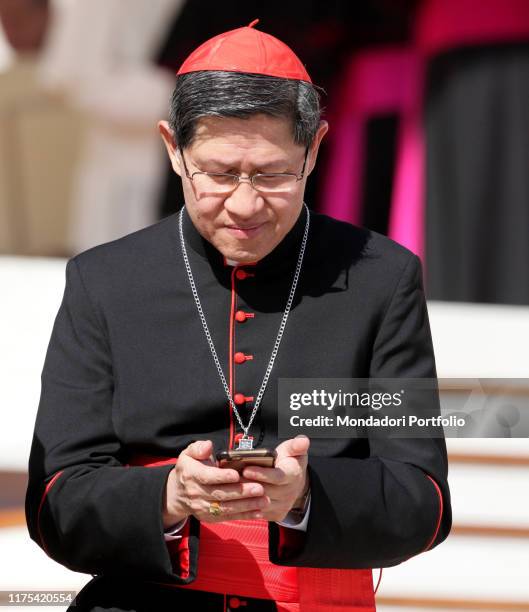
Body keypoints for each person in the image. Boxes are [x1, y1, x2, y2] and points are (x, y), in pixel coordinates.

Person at [25, 21, 452, 612]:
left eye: (275, 174)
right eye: (221, 174)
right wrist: (169, 497)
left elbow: (422, 501)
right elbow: (55, 503)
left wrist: (304, 496)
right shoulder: (105, 282)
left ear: (316, 148)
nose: (246, 204)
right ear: (173, 150)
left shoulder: (380, 278)